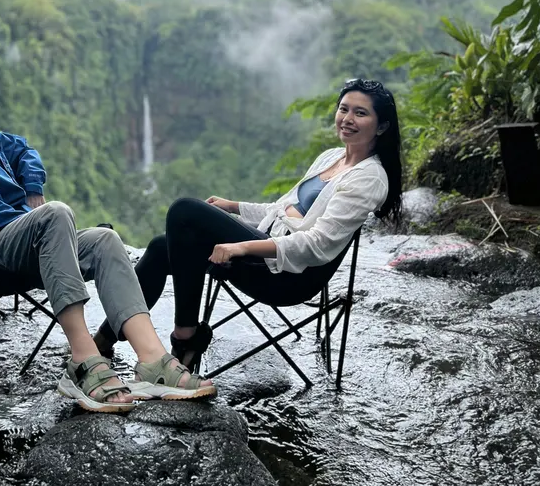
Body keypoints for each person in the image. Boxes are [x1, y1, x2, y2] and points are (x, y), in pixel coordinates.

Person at [0, 48, 215, 412]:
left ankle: (153, 361)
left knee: (105, 239)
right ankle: (83, 361)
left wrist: (33, 192)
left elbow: (25, 150)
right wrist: (37, 223)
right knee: (56, 215)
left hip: (23, 239)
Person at [94, 78, 402, 370]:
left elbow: (316, 245)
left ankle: (184, 339)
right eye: (344, 109)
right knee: (161, 247)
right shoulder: (332, 157)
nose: (347, 118)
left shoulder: (368, 178)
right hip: (265, 252)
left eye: (360, 113)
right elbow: (281, 209)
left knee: (184, 210)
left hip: (288, 274)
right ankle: (104, 341)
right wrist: (234, 207)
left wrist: (240, 246)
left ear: (382, 126)